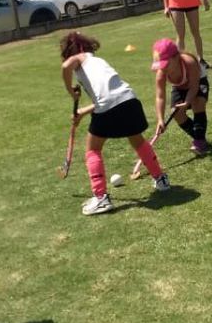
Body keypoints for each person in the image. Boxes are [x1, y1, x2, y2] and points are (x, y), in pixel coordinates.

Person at [60, 32, 171, 216]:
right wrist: (82, 112)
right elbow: (107, 97)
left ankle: (101, 198)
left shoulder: (78, 58)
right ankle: (161, 179)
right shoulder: (96, 60)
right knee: (138, 141)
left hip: (110, 106)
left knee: (92, 149)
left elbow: (65, 67)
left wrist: (71, 92)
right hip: (130, 100)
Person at [152, 38, 210, 157]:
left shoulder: (189, 62)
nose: (162, 68)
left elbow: (194, 87)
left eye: (165, 64)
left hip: (198, 81)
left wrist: (188, 101)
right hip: (179, 86)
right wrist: (160, 119)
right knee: (177, 114)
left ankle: (199, 142)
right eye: (160, 65)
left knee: (197, 103)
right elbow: (160, 97)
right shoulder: (161, 73)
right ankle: (199, 137)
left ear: (176, 57)